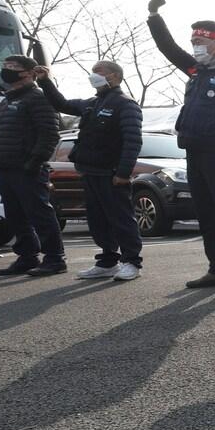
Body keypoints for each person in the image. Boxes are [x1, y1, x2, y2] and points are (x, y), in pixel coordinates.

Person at [147, 0, 215, 291]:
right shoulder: (197, 72)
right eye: (193, 42)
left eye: (200, 42)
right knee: (206, 216)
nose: (195, 47)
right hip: (195, 152)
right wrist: (154, 16)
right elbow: (168, 48)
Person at [36, 61, 144, 279]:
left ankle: (132, 262)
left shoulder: (125, 104)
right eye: (93, 72)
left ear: (115, 76)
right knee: (97, 220)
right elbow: (62, 104)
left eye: (99, 72)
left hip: (111, 174)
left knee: (121, 219)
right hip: (89, 172)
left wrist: (123, 173)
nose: (94, 76)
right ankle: (107, 262)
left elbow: (133, 141)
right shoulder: (92, 103)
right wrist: (45, 82)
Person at [0, 56, 65, 276]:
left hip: (28, 167)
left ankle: (55, 259)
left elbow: (50, 133)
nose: (6, 70)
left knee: (40, 214)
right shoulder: (10, 99)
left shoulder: (39, 98)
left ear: (29, 73)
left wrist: (35, 161)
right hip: (7, 166)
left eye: (13, 67)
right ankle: (27, 257)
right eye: (5, 66)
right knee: (16, 216)